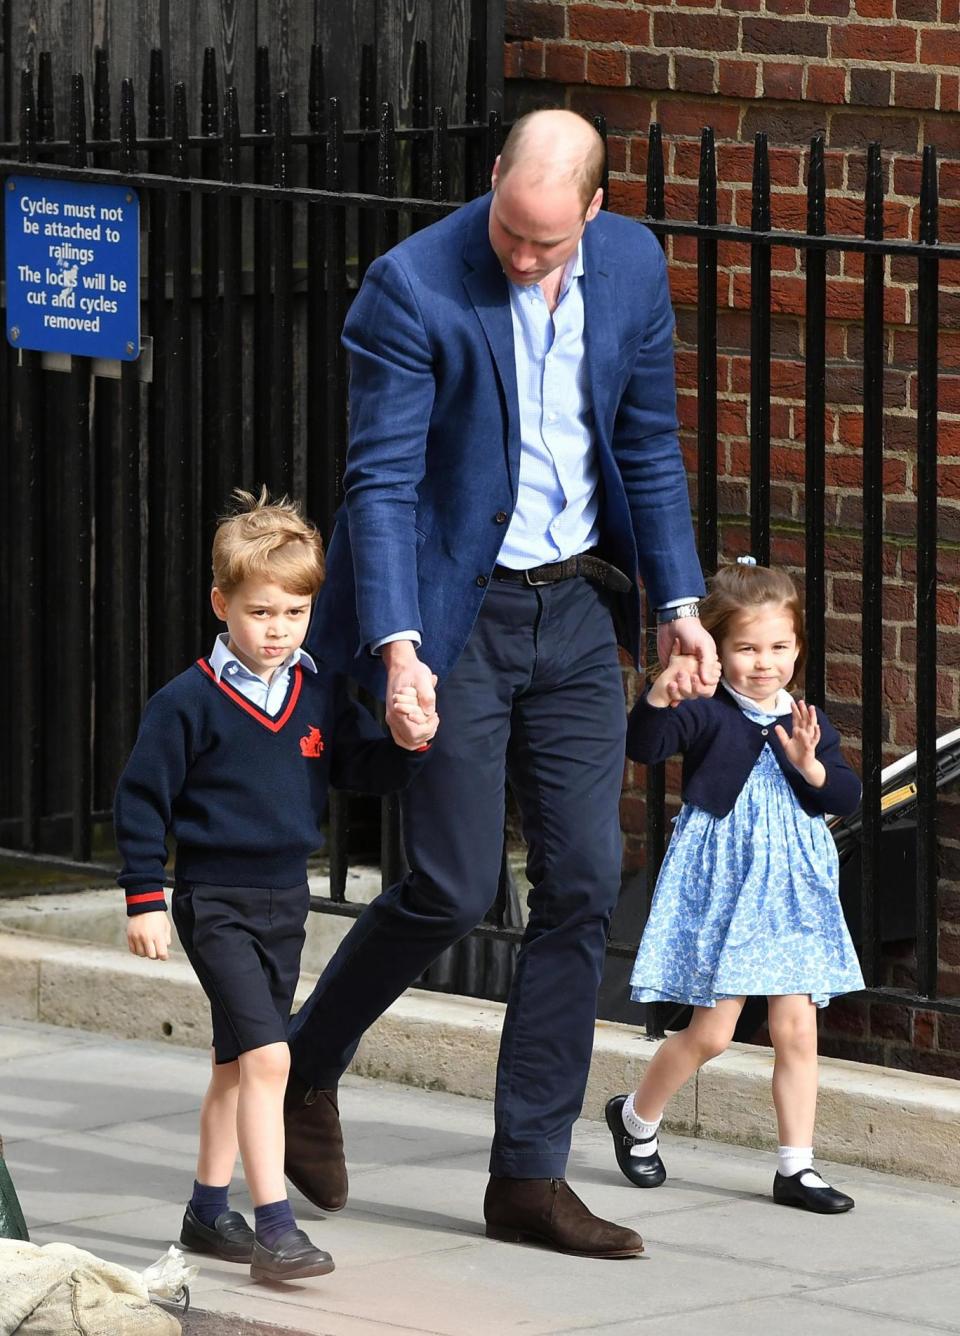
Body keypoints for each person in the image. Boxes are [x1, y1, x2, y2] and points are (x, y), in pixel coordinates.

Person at [285, 108, 716, 1259]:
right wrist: (398, 644)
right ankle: (303, 1065)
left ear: (595, 210)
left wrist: (678, 604)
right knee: (449, 881)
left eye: (547, 243)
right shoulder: (412, 287)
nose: (522, 259)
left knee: (583, 880)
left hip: (575, 607)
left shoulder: (630, 266)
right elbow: (378, 485)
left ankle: (528, 1175)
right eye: (510, 234)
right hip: (459, 614)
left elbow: (648, 445)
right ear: (492, 187)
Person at [114, 489, 434, 1283]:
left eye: (294, 612)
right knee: (268, 1058)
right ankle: (274, 1228)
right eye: (260, 612)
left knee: (234, 1063)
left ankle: (203, 1210)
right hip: (212, 901)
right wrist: (144, 896)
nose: (277, 629)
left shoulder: (319, 691)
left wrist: (409, 741)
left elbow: (363, 768)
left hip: (283, 902)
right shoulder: (185, 703)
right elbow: (140, 799)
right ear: (222, 604)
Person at [605, 559, 864, 1214]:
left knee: (796, 1032)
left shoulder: (807, 722)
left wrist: (810, 767)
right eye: (747, 648)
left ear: (798, 649)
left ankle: (796, 1167)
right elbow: (646, 744)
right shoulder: (708, 714)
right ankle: (635, 1118)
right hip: (728, 889)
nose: (764, 662)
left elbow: (846, 795)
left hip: (793, 894)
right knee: (713, 1033)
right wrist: (662, 692)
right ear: (718, 648)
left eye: (779, 646)